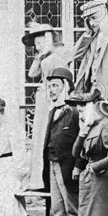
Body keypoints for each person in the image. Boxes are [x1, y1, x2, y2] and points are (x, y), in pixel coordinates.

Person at [22, 23, 72, 189]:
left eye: (41, 43)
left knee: (50, 131)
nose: (38, 47)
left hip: (53, 96)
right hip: (44, 97)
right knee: (40, 134)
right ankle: (40, 176)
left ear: (49, 39)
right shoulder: (44, 58)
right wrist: (38, 57)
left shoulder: (58, 55)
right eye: (36, 44)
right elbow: (31, 74)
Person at [43, 68, 80, 216]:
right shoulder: (52, 112)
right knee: (57, 210)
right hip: (52, 165)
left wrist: (77, 167)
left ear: (67, 86)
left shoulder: (74, 112)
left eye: (56, 85)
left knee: (71, 209)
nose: (52, 90)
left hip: (68, 168)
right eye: (49, 87)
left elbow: (81, 142)